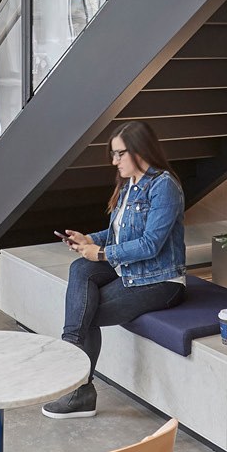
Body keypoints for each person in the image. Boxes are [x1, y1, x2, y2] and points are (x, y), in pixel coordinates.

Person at [43, 121, 186, 419]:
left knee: (87, 309)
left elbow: (150, 245)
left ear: (140, 150)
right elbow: (120, 233)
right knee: (81, 268)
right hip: (130, 270)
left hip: (160, 280)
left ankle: (79, 386)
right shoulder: (129, 185)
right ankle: (70, 351)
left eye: (119, 154)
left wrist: (103, 254)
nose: (114, 161)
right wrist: (90, 241)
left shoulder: (164, 187)